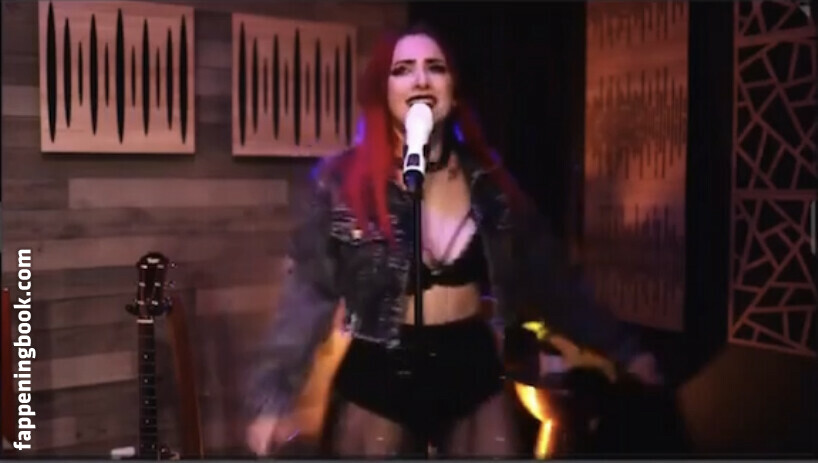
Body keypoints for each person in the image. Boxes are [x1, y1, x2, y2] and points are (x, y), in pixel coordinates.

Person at [243, 22, 661, 458]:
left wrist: (625, 350)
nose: (421, 79)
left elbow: (551, 281)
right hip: (379, 377)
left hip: (470, 371)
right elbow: (308, 293)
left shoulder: (490, 186)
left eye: (435, 67)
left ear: (453, 89)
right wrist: (273, 396)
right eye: (403, 69)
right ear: (383, 91)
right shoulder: (342, 184)